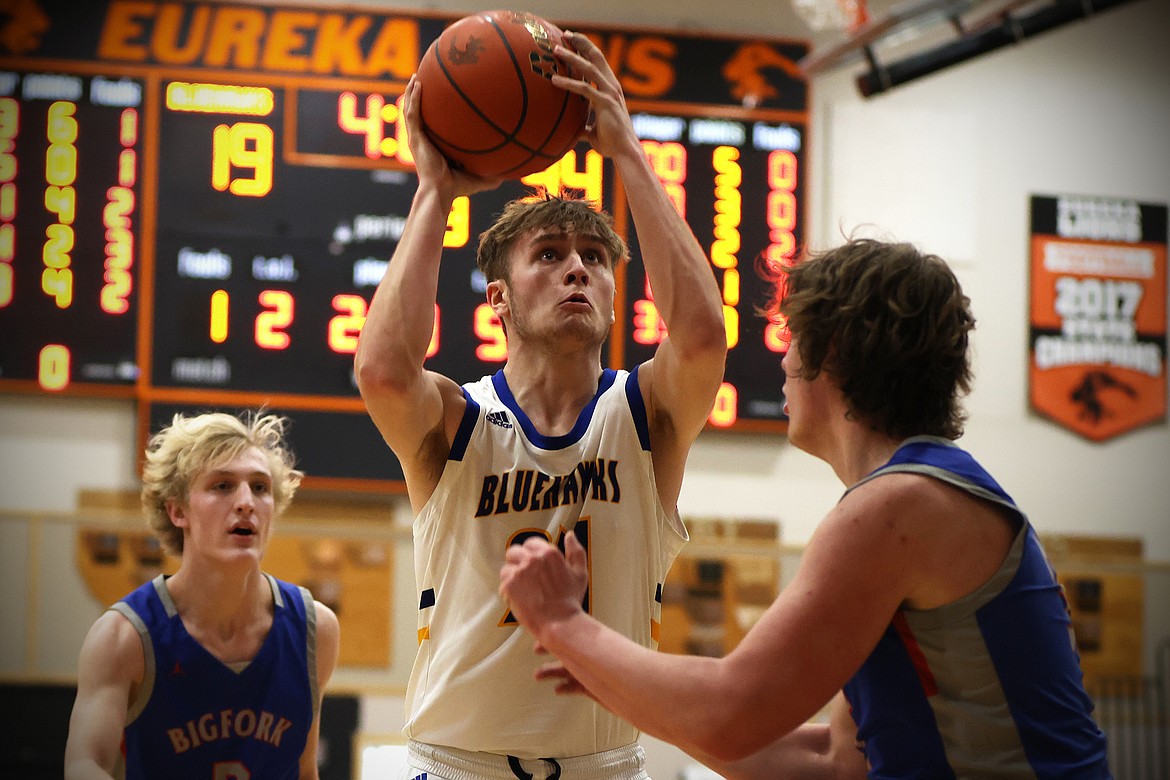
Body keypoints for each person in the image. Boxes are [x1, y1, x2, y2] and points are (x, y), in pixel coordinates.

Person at [500, 238, 1112, 778]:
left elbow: (733, 713)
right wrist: (621, 684)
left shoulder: (896, 509)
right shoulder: (918, 494)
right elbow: (836, 763)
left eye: (793, 340)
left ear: (836, 353)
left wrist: (563, 624)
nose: (784, 363)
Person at [354, 29, 726, 780]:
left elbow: (703, 336)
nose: (577, 271)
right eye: (549, 256)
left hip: (606, 766)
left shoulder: (644, 415)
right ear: (498, 299)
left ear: (618, 295)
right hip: (460, 765)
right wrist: (435, 192)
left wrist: (629, 152)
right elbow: (385, 373)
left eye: (594, 259)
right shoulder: (458, 423)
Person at [64, 411, 340, 780]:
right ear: (178, 510)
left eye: (259, 487)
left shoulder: (315, 629)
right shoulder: (124, 637)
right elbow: (85, 764)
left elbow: (305, 770)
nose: (246, 502)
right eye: (222, 486)